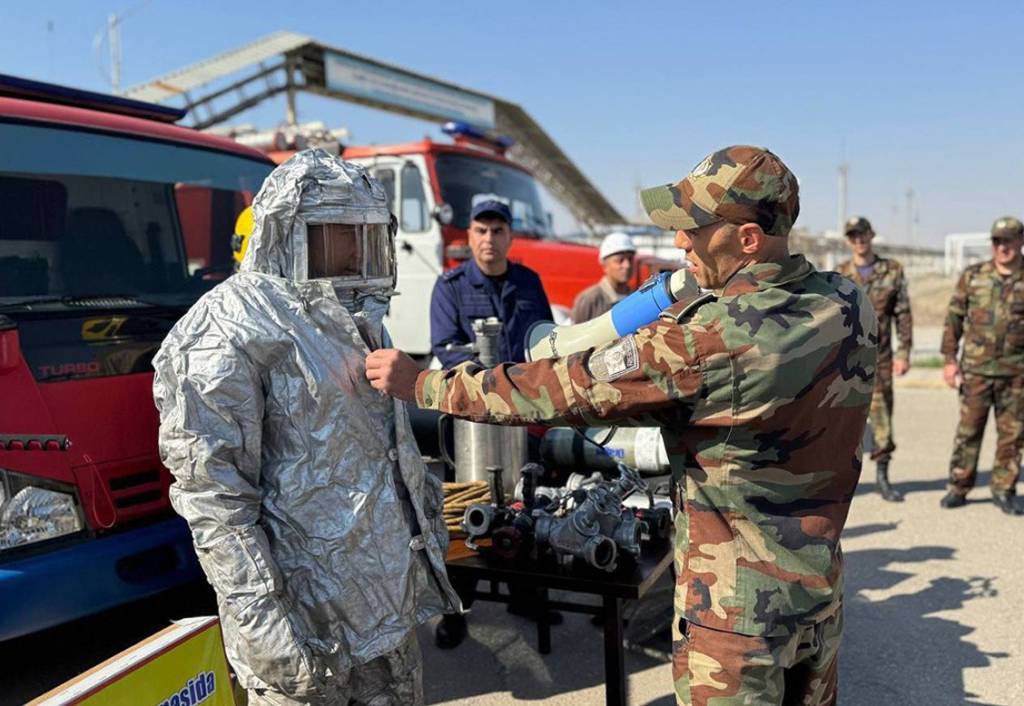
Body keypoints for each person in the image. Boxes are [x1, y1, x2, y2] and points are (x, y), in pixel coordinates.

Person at [368, 145, 878, 706]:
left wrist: (423, 385)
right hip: (819, 597)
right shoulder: (848, 303)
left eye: (695, 229)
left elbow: (556, 387)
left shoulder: (701, 341)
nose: (681, 242)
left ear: (749, 239)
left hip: (735, 621)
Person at [153, 150, 460, 706]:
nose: (356, 249)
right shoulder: (224, 330)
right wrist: (267, 631)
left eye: (366, 232)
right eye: (342, 231)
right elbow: (216, 500)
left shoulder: (354, 318)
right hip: (306, 636)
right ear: (291, 231)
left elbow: (388, 455)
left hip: (383, 618)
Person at [939, 216, 1024, 515]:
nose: (1003, 247)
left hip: (1017, 373)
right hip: (976, 370)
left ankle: (1003, 489)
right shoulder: (973, 276)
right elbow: (954, 318)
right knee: (968, 431)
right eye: (997, 241)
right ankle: (959, 486)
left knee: (1012, 435)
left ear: (1020, 241)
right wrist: (950, 360)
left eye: (1009, 240)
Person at [837, 216, 913, 502]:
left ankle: (882, 476)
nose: (859, 240)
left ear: (871, 235)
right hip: (846, 361)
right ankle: (841, 480)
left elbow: (903, 313)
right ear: (848, 241)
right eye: (853, 236)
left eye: (863, 234)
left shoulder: (892, 270)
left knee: (882, 418)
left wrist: (904, 352)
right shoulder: (839, 274)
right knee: (843, 421)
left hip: (880, 358)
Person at [429, 199, 553, 367]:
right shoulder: (450, 287)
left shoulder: (529, 282)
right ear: (469, 237)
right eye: (481, 231)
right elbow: (446, 347)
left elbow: (548, 335)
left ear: (510, 237)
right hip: (475, 382)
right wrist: (488, 377)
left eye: (497, 231)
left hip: (525, 381)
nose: (489, 238)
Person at [570, 231, 637, 322]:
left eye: (630, 259)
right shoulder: (590, 300)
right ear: (605, 265)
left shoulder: (636, 297)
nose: (627, 265)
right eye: (620, 260)